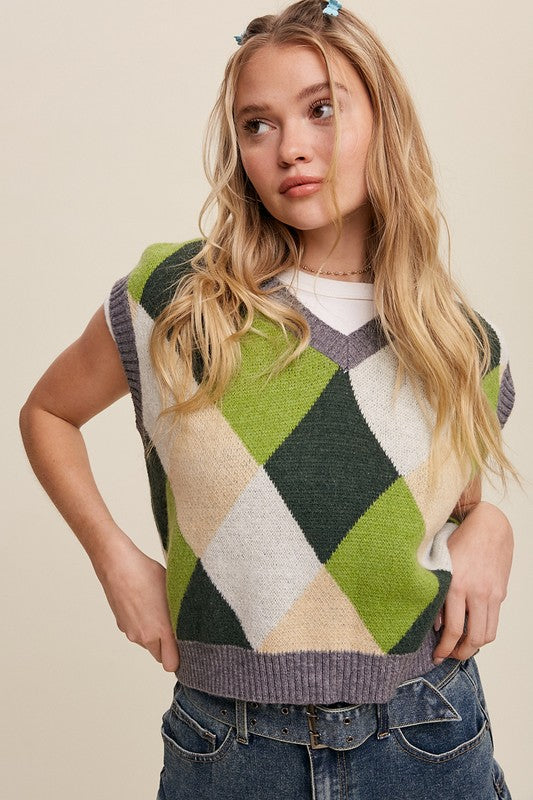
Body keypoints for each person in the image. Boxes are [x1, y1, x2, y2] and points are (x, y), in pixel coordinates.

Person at [19, 1, 520, 798]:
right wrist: (116, 561)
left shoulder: (460, 343)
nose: (289, 147)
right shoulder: (176, 298)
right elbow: (47, 413)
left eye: (321, 110)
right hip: (227, 747)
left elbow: (440, 508)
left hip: (424, 734)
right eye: (257, 124)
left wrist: (491, 524)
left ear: (382, 117)